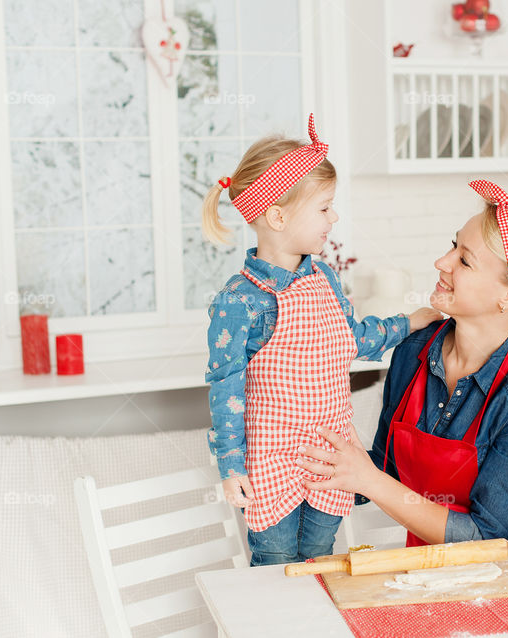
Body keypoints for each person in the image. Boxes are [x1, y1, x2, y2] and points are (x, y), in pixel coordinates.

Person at [296, 180, 508, 546]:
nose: (442, 262)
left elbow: (487, 538)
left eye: (465, 260)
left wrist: (368, 480)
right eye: (453, 246)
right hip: (429, 563)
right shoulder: (414, 351)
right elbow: (386, 469)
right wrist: (314, 453)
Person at [202, 114, 441, 564]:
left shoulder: (325, 278)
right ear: (277, 215)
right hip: (272, 462)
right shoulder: (240, 300)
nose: (335, 216)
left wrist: (407, 324)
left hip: (331, 455)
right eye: (325, 207)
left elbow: (350, 338)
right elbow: (227, 388)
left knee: (320, 558)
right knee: (275, 565)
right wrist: (231, 465)